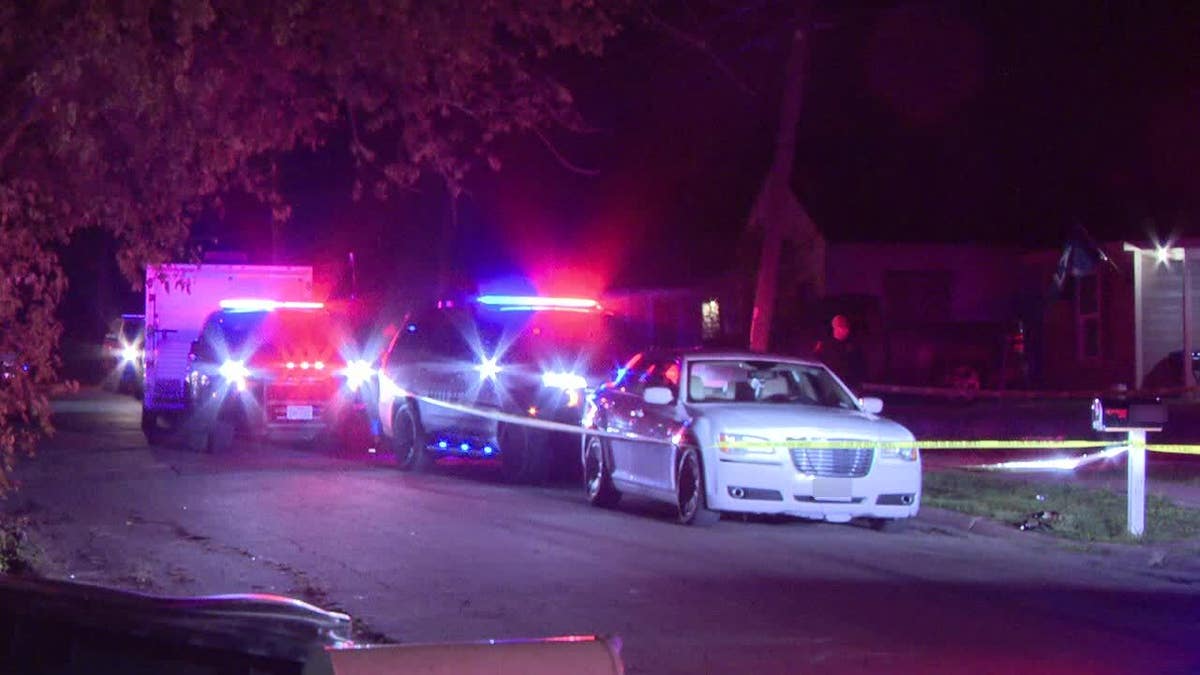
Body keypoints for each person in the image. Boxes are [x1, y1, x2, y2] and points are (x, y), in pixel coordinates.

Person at [812, 314, 866, 391]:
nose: (846, 331)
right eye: (842, 328)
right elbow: (817, 362)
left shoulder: (851, 346)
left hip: (846, 384)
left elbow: (856, 366)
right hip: (828, 382)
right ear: (835, 328)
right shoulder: (824, 345)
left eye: (846, 328)